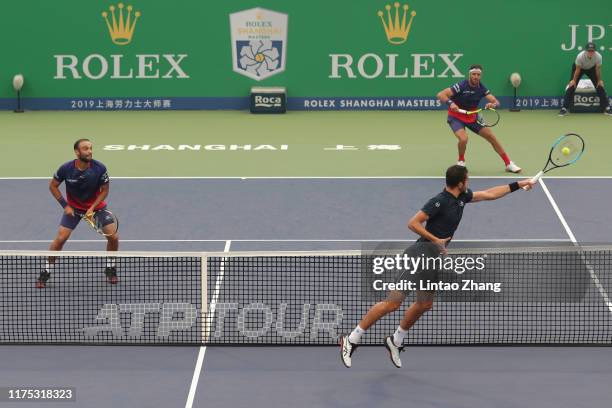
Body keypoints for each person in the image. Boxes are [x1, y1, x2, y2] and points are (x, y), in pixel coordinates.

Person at [340, 165, 535, 368]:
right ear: (460, 183)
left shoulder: (462, 197)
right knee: (392, 303)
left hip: (431, 260)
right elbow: (413, 223)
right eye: (467, 180)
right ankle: (352, 339)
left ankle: (395, 341)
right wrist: (436, 241)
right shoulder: (439, 201)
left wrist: (519, 184)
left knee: (425, 304)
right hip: (419, 255)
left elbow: (488, 194)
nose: (468, 183)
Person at [36, 139, 119, 288]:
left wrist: (92, 208)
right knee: (60, 239)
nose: (89, 151)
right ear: (77, 152)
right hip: (73, 210)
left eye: (91, 148)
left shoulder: (100, 168)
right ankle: (46, 271)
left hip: (95, 209)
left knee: (113, 237)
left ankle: (110, 268)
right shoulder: (66, 169)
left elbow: (105, 190)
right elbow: (53, 186)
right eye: (85, 149)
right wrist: (65, 206)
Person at [437, 64, 522, 173]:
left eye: (478, 75)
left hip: (472, 116)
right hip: (456, 116)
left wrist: (492, 104)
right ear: (469, 75)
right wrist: (451, 103)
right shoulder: (461, 85)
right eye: (474, 74)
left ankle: (508, 163)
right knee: (463, 139)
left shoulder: (481, 88)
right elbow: (441, 94)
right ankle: (461, 161)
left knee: (491, 136)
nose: (476, 77)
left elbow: (495, 101)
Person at [560, 42, 611, 116]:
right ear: (585, 51)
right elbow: (577, 70)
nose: (590, 52)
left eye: (592, 51)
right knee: (572, 86)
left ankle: (607, 108)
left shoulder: (598, 56)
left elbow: (597, 69)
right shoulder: (580, 56)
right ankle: (564, 108)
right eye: (589, 51)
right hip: (579, 68)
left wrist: (599, 80)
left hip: (591, 69)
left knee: (599, 86)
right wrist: (574, 80)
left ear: (595, 51)